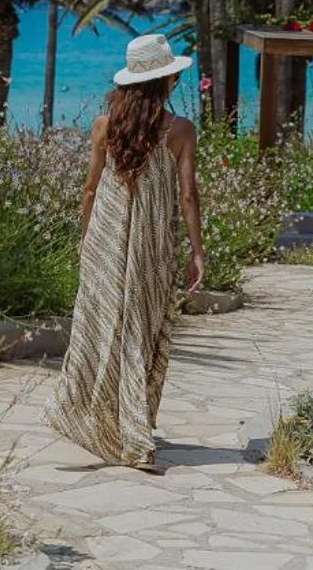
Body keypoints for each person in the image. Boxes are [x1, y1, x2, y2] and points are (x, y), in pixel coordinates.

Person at [46, 33, 207, 471]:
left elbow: (89, 190)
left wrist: (86, 242)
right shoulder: (180, 131)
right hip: (152, 246)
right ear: (167, 79)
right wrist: (197, 252)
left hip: (105, 240)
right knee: (140, 330)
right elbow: (188, 195)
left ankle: (107, 424)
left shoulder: (104, 126)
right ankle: (134, 435)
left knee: (102, 330)